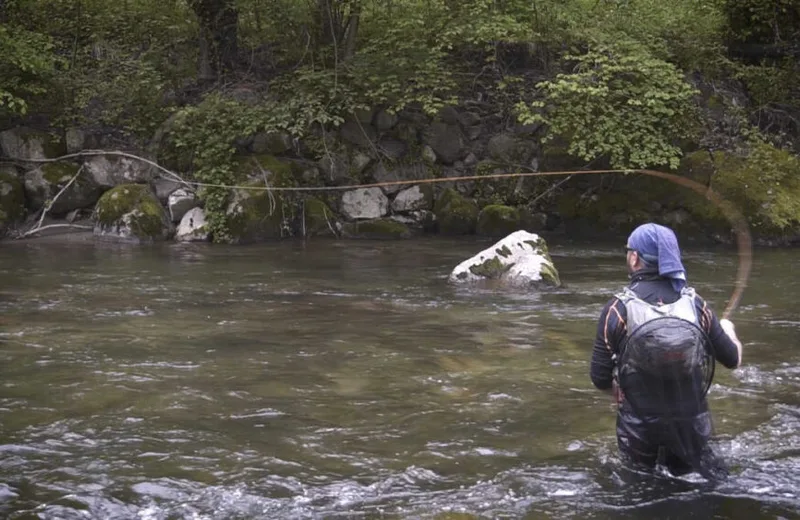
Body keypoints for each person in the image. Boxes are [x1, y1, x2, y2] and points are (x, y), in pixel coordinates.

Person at [590, 223, 743, 480]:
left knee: (639, 488)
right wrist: (729, 329)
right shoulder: (696, 305)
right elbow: (733, 359)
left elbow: (599, 376)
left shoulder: (618, 309)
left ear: (635, 258)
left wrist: (615, 391)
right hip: (692, 426)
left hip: (639, 430)